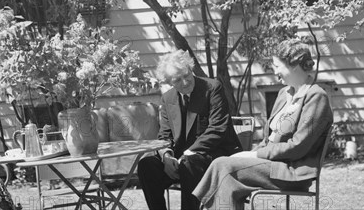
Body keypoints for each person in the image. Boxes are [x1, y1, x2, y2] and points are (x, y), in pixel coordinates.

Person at [193, 39, 334, 210]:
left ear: (294, 65)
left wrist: (254, 156)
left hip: (292, 172)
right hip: (271, 166)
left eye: (277, 66)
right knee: (223, 168)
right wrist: (249, 154)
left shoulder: (316, 96)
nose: (275, 72)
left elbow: (298, 147)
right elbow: (268, 140)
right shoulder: (284, 93)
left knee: (224, 165)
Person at [137, 50, 243, 210]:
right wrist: (166, 157)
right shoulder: (167, 98)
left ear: (191, 69)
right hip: (181, 159)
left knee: (189, 163)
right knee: (147, 165)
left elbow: (218, 129)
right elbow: (164, 136)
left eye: (187, 75)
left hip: (213, 155)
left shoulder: (212, 88)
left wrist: (187, 154)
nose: (185, 82)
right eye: (177, 80)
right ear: (169, 82)